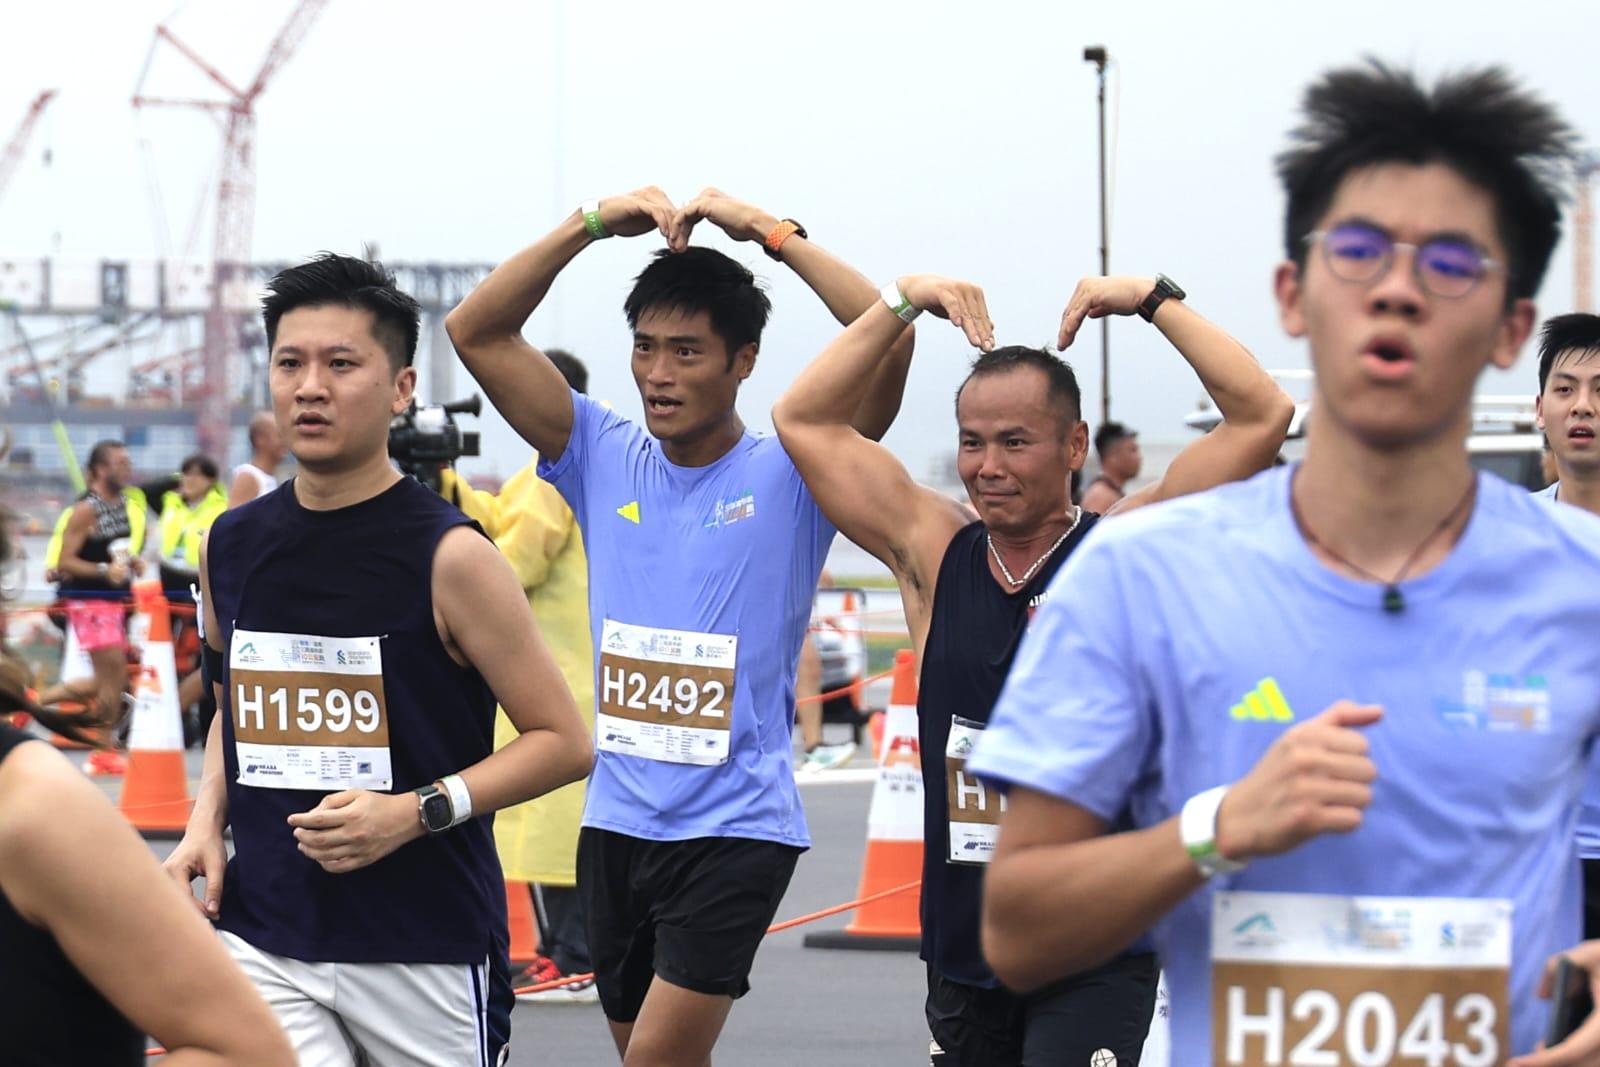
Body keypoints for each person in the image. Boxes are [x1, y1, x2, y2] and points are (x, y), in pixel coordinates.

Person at [967, 60, 1600, 1066]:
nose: (1395, 289)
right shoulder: (1137, 578)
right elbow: (1018, 927)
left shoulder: (1582, 584)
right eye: (1356, 252)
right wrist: (1219, 825)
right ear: (1293, 296)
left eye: (1449, 262)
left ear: (1510, 326)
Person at [773, 268, 1291, 1064]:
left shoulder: (1124, 549)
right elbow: (801, 417)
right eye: (973, 442)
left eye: (1015, 441)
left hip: (1096, 942)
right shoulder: (934, 550)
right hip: (964, 943)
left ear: (1074, 445)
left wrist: (1154, 301)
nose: (988, 465)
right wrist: (901, 300)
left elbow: (1262, 415)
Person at [447, 186, 914, 1065]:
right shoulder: (599, 451)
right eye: (645, 348)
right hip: (617, 827)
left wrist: (774, 237)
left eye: (687, 352)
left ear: (743, 361)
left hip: (737, 828)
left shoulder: (798, 465)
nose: (658, 373)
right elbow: (476, 330)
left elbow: (890, 334)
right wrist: (587, 226)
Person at [163, 253, 593, 1066]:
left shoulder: (454, 556)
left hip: (422, 948)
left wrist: (414, 811)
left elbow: (562, 741)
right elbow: (234, 702)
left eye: (341, 363)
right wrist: (203, 819)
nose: (310, 386)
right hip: (267, 935)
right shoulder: (233, 542)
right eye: (290, 363)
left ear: (401, 389)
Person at [0, 514, 295, 1067]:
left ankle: (109, 732)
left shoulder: (35, 811)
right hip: (109, 607)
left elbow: (245, 1050)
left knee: (114, 680)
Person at [439, 346, 599, 1003]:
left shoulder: (558, 470)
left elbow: (513, 558)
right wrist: (446, 481)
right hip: (557, 674)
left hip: (566, 676)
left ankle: (577, 957)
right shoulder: (548, 468)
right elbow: (497, 518)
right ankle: (561, 953)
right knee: (547, 829)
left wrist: (458, 569)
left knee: (563, 832)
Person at [1532, 314, 1600, 945]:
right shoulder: (1499, 540)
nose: (1584, 406)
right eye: (1567, 388)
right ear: (1541, 408)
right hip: (1535, 855)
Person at [49, 440, 147, 731]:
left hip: (114, 602)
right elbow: (66, 560)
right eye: (120, 463)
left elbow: (111, 549)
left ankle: (31, 701)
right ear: (101, 470)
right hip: (89, 601)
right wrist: (106, 571)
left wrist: (131, 562)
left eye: (128, 462)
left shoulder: (123, 505)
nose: (127, 469)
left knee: (111, 678)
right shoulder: (86, 509)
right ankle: (104, 746)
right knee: (113, 673)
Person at [1079, 420, 1141, 513]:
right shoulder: (1101, 496)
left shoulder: (1110, 492)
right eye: (1132, 450)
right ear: (1113, 457)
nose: (1139, 457)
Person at [228, 411, 286, 506]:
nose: (285, 442)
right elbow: (234, 519)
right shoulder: (248, 477)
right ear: (260, 439)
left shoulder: (271, 478)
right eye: (279, 435)